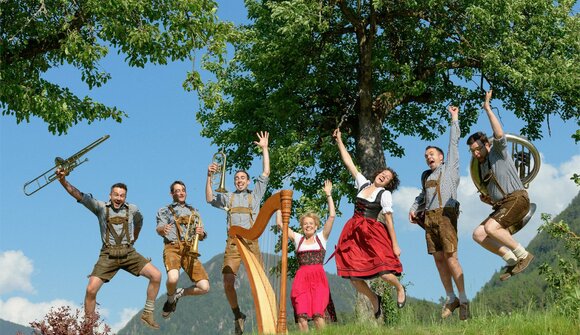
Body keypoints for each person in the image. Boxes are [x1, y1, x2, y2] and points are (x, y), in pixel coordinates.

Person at [56, 169, 161, 330]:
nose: (119, 198)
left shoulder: (132, 209)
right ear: (110, 195)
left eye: (122, 195)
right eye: (116, 195)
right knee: (90, 290)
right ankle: (88, 328)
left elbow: (140, 221)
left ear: (125, 197)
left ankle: (148, 312)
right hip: (107, 255)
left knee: (156, 275)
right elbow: (78, 195)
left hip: (128, 253)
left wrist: (135, 236)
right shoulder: (99, 207)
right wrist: (63, 180)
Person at [332, 128, 406, 320]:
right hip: (353, 232)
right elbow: (349, 163)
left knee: (383, 271)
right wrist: (339, 141)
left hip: (372, 233)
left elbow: (389, 219)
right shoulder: (363, 183)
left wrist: (395, 244)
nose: (383, 176)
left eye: (387, 177)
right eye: (383, 173)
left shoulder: (385, 195)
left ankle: (399, 288)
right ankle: (374, 298)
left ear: (389, 184)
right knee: (353, 277)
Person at [206, 131, 270, 335]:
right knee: (227, 282)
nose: (239, 180)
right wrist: (209, 176)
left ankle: (265, 318)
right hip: (233, 243)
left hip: (251, 242)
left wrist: (264, 149)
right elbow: (208, 198)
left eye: (243, 178)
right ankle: (237, 315)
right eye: (237, 178)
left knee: (259, 283)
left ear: (249, 181)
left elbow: (266, 172)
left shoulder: (256, 195)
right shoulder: (228, 198)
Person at [409, 106, 469, 320]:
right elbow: (421, 196)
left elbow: (454, 144)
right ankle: (450, 297)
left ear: (442, 157)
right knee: (438, 259)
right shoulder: (426, 176)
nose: (428, 158)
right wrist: (414, 208)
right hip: (430, 218)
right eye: (426, 156)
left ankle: (463, 300)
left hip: (446, 214)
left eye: (431, 154)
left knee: (451, 256)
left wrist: (454, 119)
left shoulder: (450, 168)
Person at [467, 90, 534, 282]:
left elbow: (498, 133)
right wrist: (487, 199)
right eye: (472, 151)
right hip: (502, 204)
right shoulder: (480, 168)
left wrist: (487, 108)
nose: (476, 153)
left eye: (478, 149)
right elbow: (494, 193)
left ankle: (523, 255)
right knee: (478, 234)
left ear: (486, 145)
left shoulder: (498, 152)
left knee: (490, 227)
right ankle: (511, 258)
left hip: (518, 198)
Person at [276, 180, 336, 332]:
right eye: (305, 224)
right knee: (301, 317)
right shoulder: (298, 239)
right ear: (302, 227)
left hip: (319, 280)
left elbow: (332, 216)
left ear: (316, 226)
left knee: (318, 316)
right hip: (301, 280)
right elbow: (281, 225)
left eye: (311, 223)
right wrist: (278, 205)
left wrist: (328, 195)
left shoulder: (322, 238)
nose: (308, 225)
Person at [156, 180, 210, 319]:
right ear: (172, 193)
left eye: (183, 190)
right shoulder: (165, 210)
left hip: (189, 250)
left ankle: (179, 293)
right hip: (172, 248)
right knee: (173, 278)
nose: (181, 193)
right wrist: (163, 229)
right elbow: (159, 228)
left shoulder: (194, 211)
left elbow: (202, 235)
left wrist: (201, 233)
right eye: (177, 190)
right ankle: (170, 300)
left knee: (204, 287)